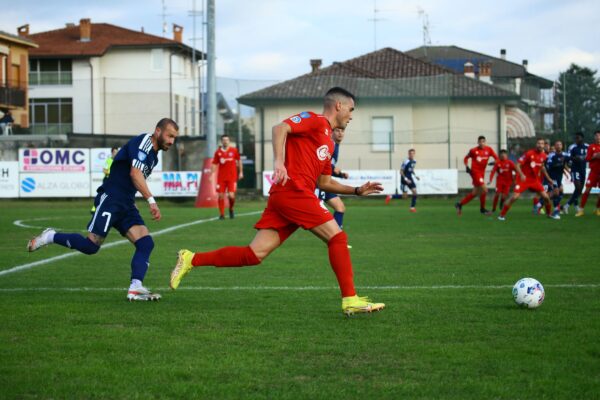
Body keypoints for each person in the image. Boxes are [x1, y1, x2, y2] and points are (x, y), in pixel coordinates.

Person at [170, 87, 385, 316]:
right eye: (351, 109)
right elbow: (279, 128)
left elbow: (324, 182)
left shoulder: (329, 143)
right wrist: (279, 162)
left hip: (290, 196)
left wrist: (356, 190)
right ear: (338, 106)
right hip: (293, 192)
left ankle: (191, 258)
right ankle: (350, 298)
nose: (351, 116)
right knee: (338, 237)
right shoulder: (314, 120)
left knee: (253, 255)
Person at [27, 118, 179, 301]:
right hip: (111, 199)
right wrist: (151, 200)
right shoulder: (144, 143)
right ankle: (50, 236)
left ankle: (135, 287)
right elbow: (135, 174)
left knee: (145, 243)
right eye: (170, 136)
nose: (171, 141)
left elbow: (133, 178)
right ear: (157, 131)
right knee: (91, 246)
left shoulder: (154, 154)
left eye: (174, 138)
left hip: (126, 203)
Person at [498, 138, 560, 221]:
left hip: (534, 181)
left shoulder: (544, 155)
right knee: (514, 197)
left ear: (544, 145)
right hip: (524, 179)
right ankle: (501, 215)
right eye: (538, 143)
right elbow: (517, 164)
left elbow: (542, 167)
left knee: (546, 197)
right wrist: (521, 174)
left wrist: (549, 179)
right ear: (536, 144)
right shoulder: (529, 153)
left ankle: (549, 214)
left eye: (542, 144)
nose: (540, 145)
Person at [455, 136, 498, 215]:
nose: (482, 143)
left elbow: (497, 158)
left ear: (485, 142)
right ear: (478, 142)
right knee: (485, 189)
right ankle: (482, 209)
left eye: (483, 141)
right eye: (480, 141)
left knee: (475, 193)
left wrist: (494, 162)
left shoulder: (489, 150)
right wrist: (467, 166)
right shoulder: (473, 150)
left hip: (482, 173)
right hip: (475, 172)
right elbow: (466, 158)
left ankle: (460, 204)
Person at [318, 127, 349, 228]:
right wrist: (333, 168)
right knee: (316, 215)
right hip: (317, 183)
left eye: (342, 131)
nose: (340, 133)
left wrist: (340, 174)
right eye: (337, 131)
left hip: (325, 182)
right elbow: (321, 163)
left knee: (340, 207)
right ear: (332, 132)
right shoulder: (329, 144)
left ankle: (337, 238)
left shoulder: (336, 145)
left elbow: (328, 168)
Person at [212, 134, 243, 219]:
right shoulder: (218, 152)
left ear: (229, 141)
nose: (225, 141)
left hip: (232, 177)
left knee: (231, 196)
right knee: (221, 195)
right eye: (224, 140)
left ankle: (231, 208)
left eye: (227, 140)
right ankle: (222, 214)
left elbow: (239, 161)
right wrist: (211, 175)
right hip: (221, 177)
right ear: (221, 141)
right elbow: (214, 163)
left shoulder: (234, 150)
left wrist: (241, 172)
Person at [539, 141, 570, 213]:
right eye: (557, 145)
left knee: (559, 191)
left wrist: (567, 172)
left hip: (558, 177)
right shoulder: (549, 156)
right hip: (550, 177)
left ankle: (554, 206)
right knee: (555, 192)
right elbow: (547, 167)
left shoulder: (564, 155)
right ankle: (541, 205)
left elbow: (563, 165)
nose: (559, 146)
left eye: (560, 144)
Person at [575, 130, 600, 217]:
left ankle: (597, 209)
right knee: (587, 191)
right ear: (594, 137)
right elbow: (587, 158)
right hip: (593, 172)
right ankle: (581, 210)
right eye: (596, 136)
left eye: (599, 136)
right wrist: (595, 156)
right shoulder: (591, 147)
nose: (598, 137)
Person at [564, 132, 589, 214]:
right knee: (578, 188)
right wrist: (575, 158)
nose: (576, 140)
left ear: (582, 138)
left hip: (583, 170)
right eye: (576, 138)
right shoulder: (572, 147)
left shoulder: (587, 146)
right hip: (575, 170)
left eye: (578, 138)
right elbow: (567, 157)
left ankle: (573, 205)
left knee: (579, 190)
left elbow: (591, 156)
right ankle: (567, 205)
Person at [91, 146, 119, 214]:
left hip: (114, 180)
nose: (116, 153)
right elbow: (104, 170)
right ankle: (94, 208)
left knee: (115, 195)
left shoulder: (118, 161)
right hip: (107, 179)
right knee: (102, 194)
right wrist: (111, 173)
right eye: (114, 152)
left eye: (117, 152)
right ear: (112, 153)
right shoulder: (109, 160)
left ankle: (113, 209)